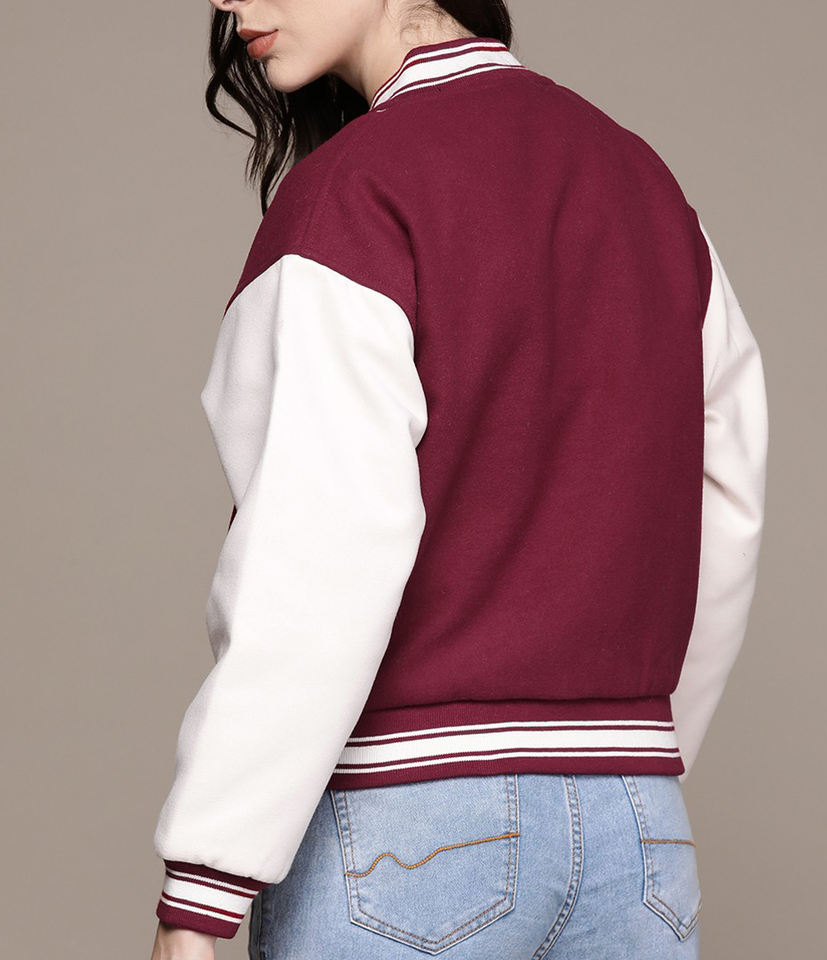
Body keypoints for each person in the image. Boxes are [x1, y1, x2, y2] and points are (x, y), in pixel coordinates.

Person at [148, 2, 769, 958]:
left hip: (409, 833)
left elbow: (322, 550)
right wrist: (631, 748)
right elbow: (725, 504)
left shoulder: (353, 195)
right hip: (639, 836)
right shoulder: (644, 184)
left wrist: (203, 886)